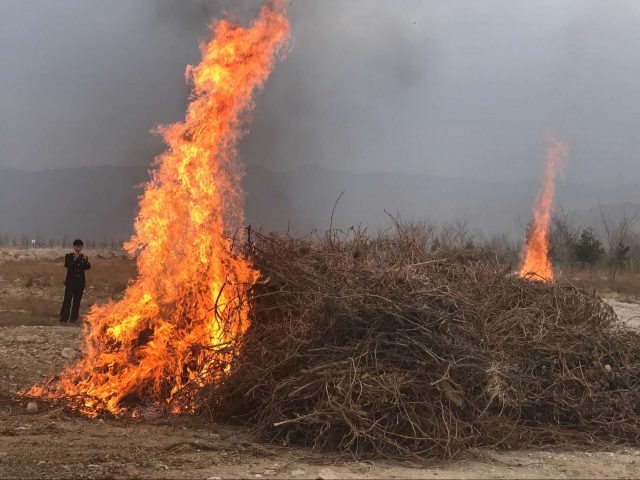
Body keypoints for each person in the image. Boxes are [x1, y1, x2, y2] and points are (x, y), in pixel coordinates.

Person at [60, 239, 91, 324]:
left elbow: (88, 267)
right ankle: (63, 319)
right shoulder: (69, 256)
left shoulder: (83, 257)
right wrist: (74, 259)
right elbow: (67, 265)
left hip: (80, 284)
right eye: (77, 246)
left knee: (77, 302)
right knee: (67, 301)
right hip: (70, 283)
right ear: (73, 247)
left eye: (80, 247)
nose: (78, 248)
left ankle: (73, 319)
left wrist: (85, 261)